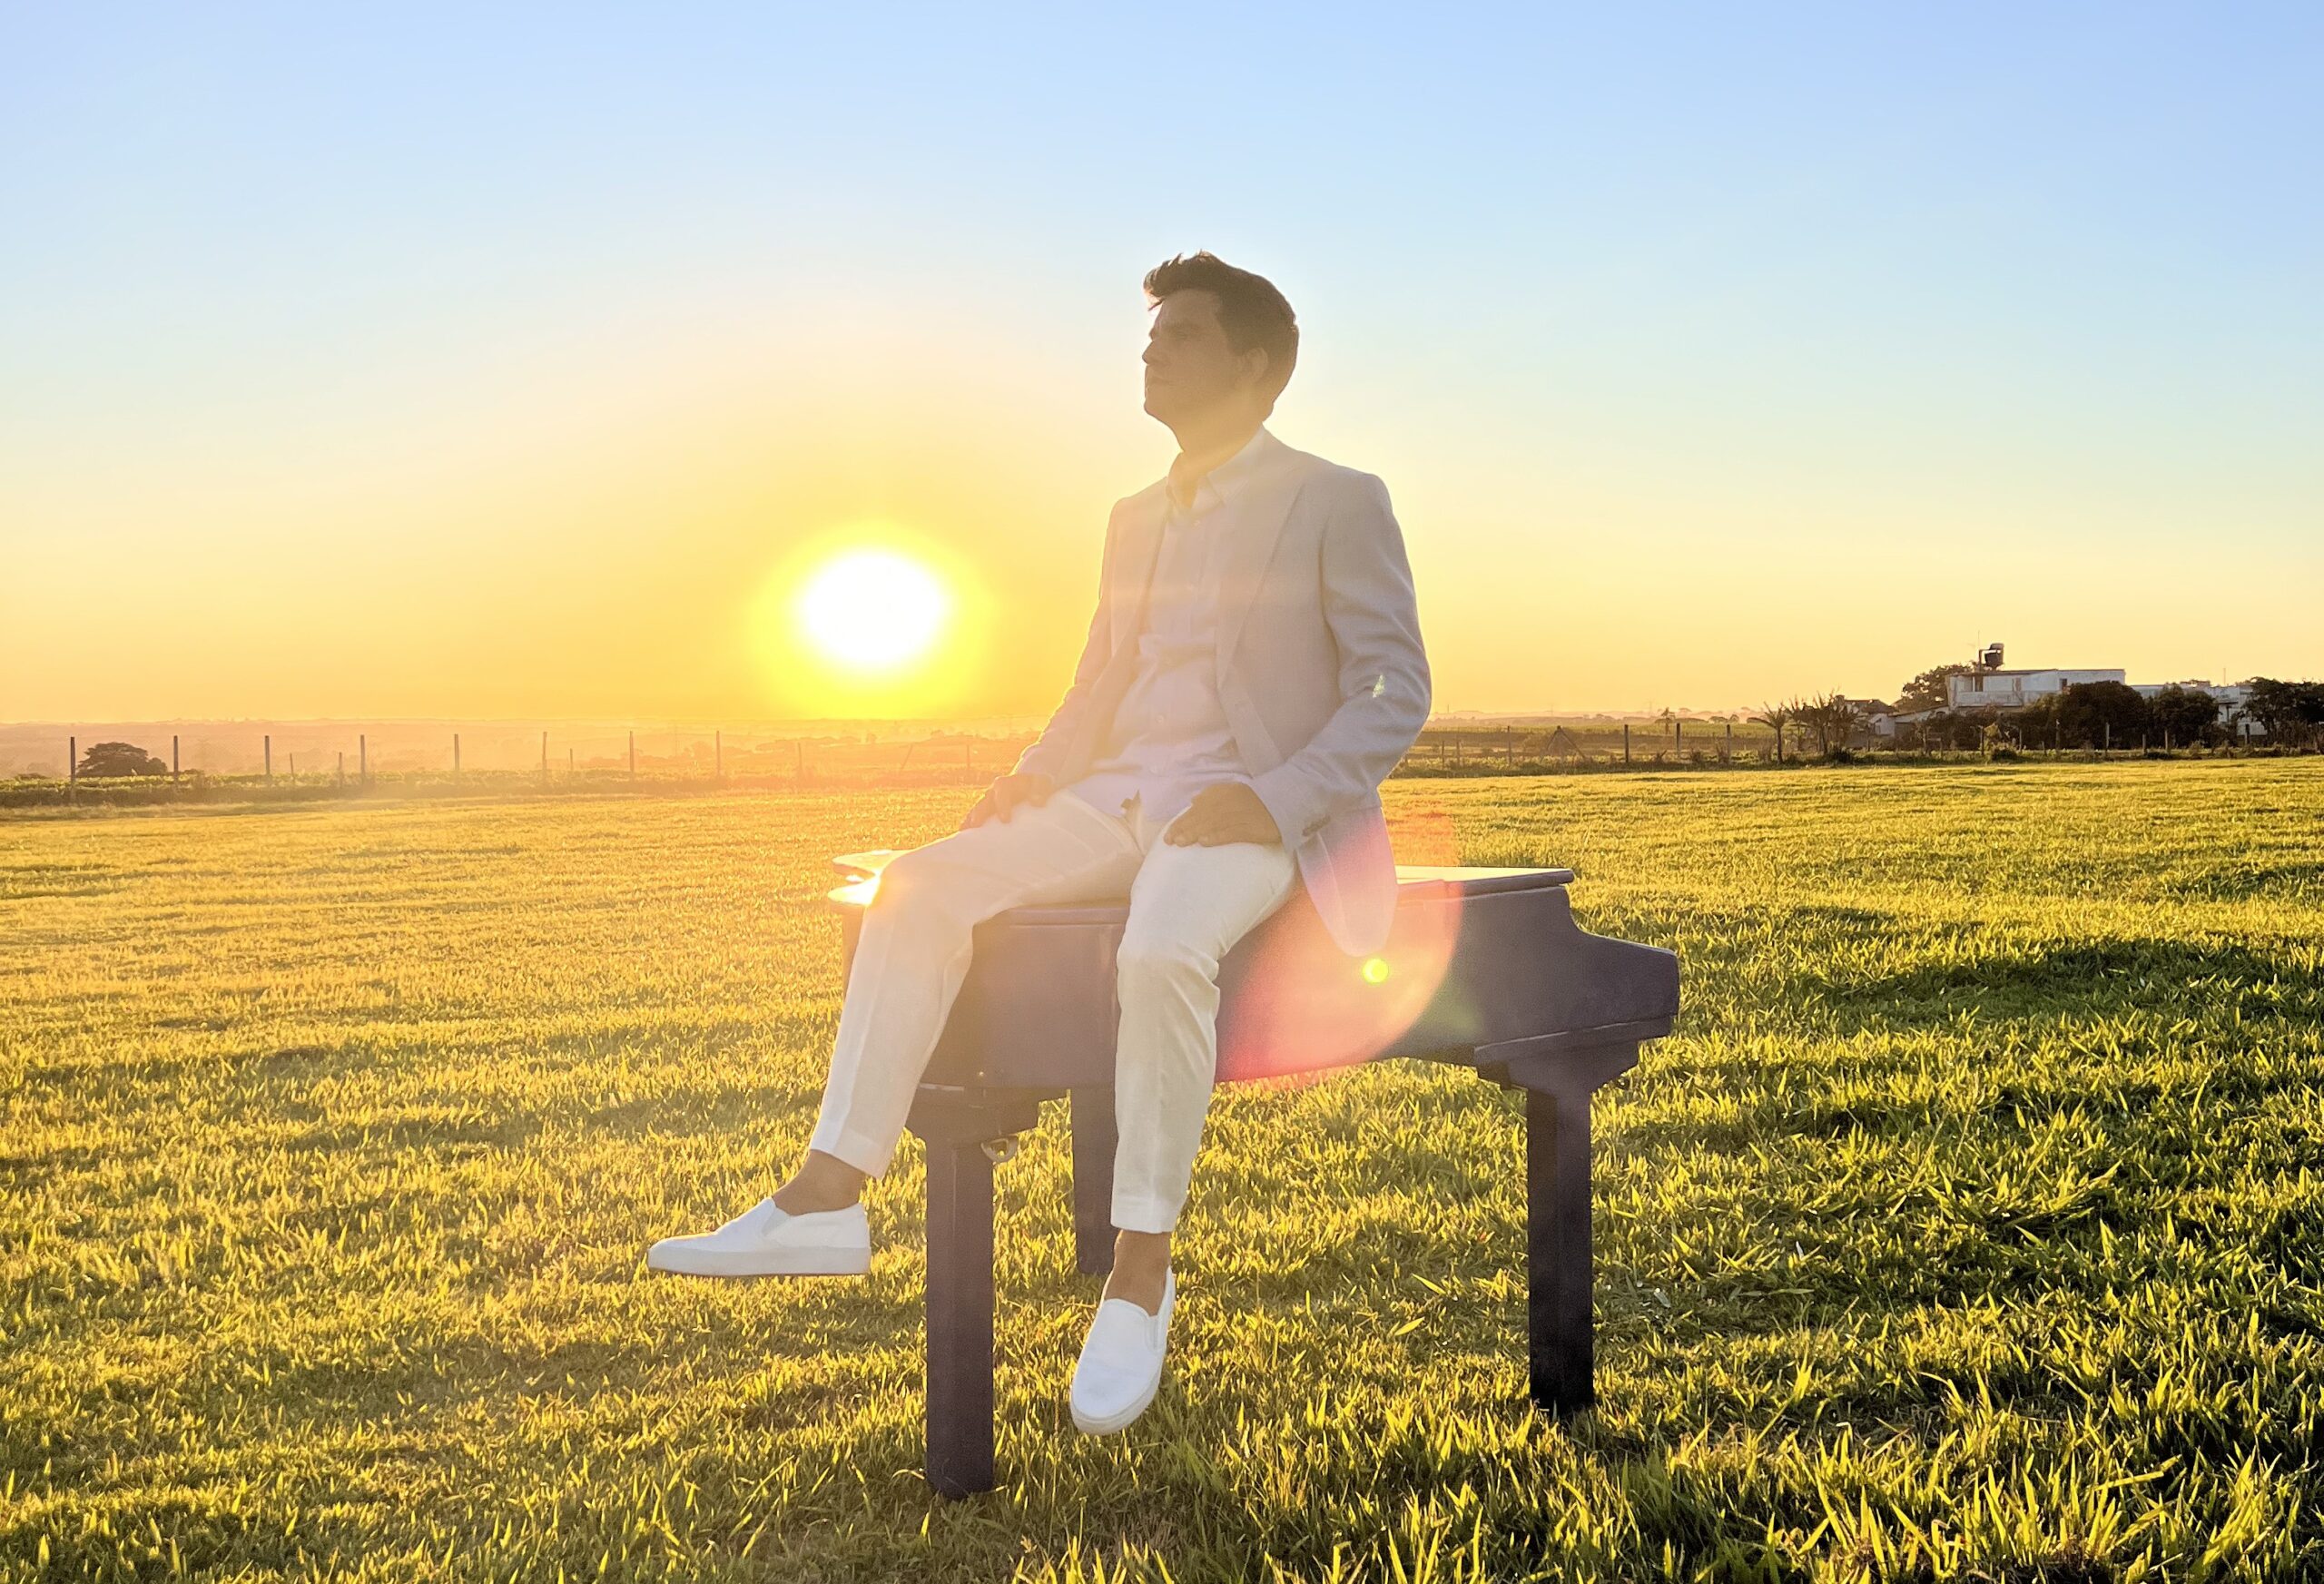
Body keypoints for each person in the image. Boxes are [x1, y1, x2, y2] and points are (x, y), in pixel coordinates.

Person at [646, 251, 1432, 1435]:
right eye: (1149, 334)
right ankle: (828, 1193)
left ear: (1258, 366)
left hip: (1244, 811)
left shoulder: (1336, 497)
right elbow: (1100, 678)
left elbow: (1394, 686)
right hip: (1109, 794)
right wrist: (1037, 772)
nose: (1150, 351)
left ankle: (1140, 1268)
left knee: (1162, 952)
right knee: (917, 887)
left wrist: (1277, 796)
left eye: (1181, 335)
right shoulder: (1131, 517)